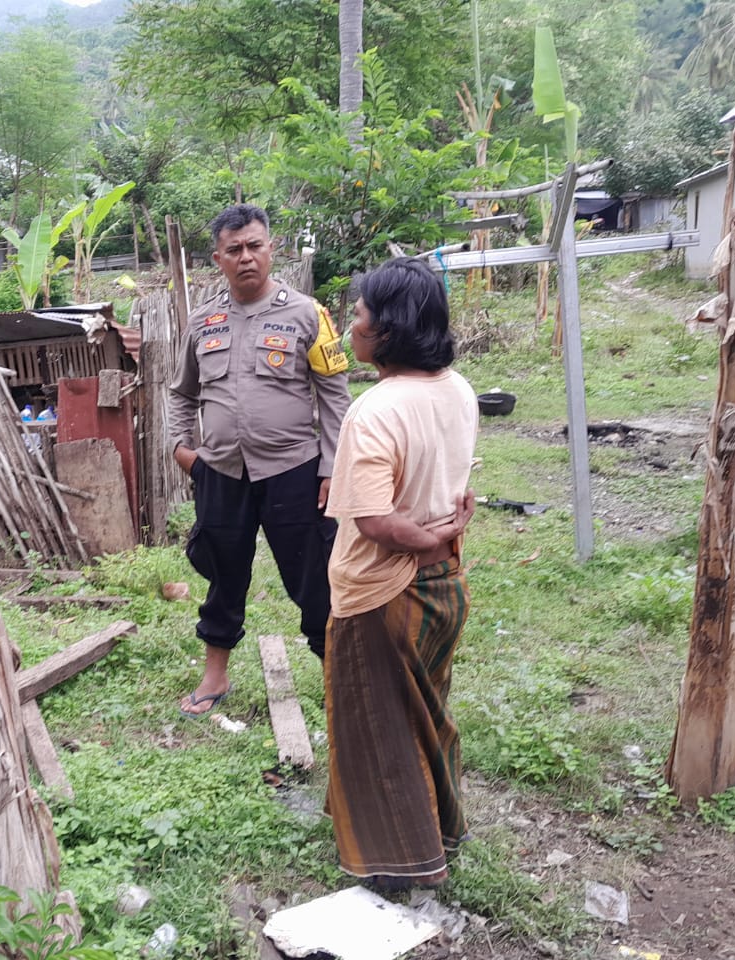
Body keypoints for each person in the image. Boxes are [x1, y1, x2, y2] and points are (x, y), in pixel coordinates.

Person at [322, 256, 478, 891]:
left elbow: (377, 524)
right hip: (445, 589)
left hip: (384, 593)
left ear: (386, 328)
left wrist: (428, 535)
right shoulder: (458, 389)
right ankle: (443, 826)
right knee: (426, 712)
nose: (349, 325)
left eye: (358, 314)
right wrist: (445, 534)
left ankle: (401, 859)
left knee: (377, 724)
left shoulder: (376, 410)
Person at [167, 203, 351, 716]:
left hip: (294, 470)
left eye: (255, 246)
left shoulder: (308, 314)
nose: (246, 257)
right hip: (222, 472)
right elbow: (181, 391)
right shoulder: (204, 320)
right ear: (218, 259)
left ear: (271, 249)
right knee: (224, 573)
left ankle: (336, 673)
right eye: (235, 250)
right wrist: (182, 448)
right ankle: (215, 675)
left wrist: (333, 467)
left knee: (313, 576)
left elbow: (336, 397)